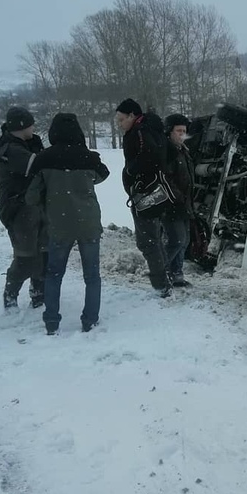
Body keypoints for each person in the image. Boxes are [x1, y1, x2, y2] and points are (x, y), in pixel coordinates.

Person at [25, 113, 110, 334]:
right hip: (89, 222)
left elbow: (31, 198)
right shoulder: (88, 157)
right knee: (92, 275)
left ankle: (51, 322)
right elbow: (102, 176)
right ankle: (90, 320)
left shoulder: (43, 159)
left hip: (58, 224)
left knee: (54, 274)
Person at [0, 106, 47, 309]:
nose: (34, 127)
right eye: (31, 124)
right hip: (19, 211)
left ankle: (38, 293)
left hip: (33, 207)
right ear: (22, 126)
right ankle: (10, 296)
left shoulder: (23, 144)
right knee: (25, 256)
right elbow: (39, 167)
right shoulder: (12, 150)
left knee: (42, 251)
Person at [116, 98, 173, 297]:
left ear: (132, 115)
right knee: (155, 237)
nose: (119, 124)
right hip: (157, 191)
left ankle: (161, 285)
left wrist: (132, 172)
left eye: (121, 119)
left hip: (146, 193)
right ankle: (166, 277)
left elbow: (150, 158)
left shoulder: (140, 132)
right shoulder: (151, 128)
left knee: (147, 240)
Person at [162, 113, 195, 287]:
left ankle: (176, 274)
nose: (182, 134)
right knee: (177, 240)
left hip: (184, 203)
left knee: (185, 240)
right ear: (169, 131)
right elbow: (165, 178)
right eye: (178, 130)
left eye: (184, 131)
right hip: (170, 204)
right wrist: (177, 197)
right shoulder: (167, 151)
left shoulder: (183, 151)